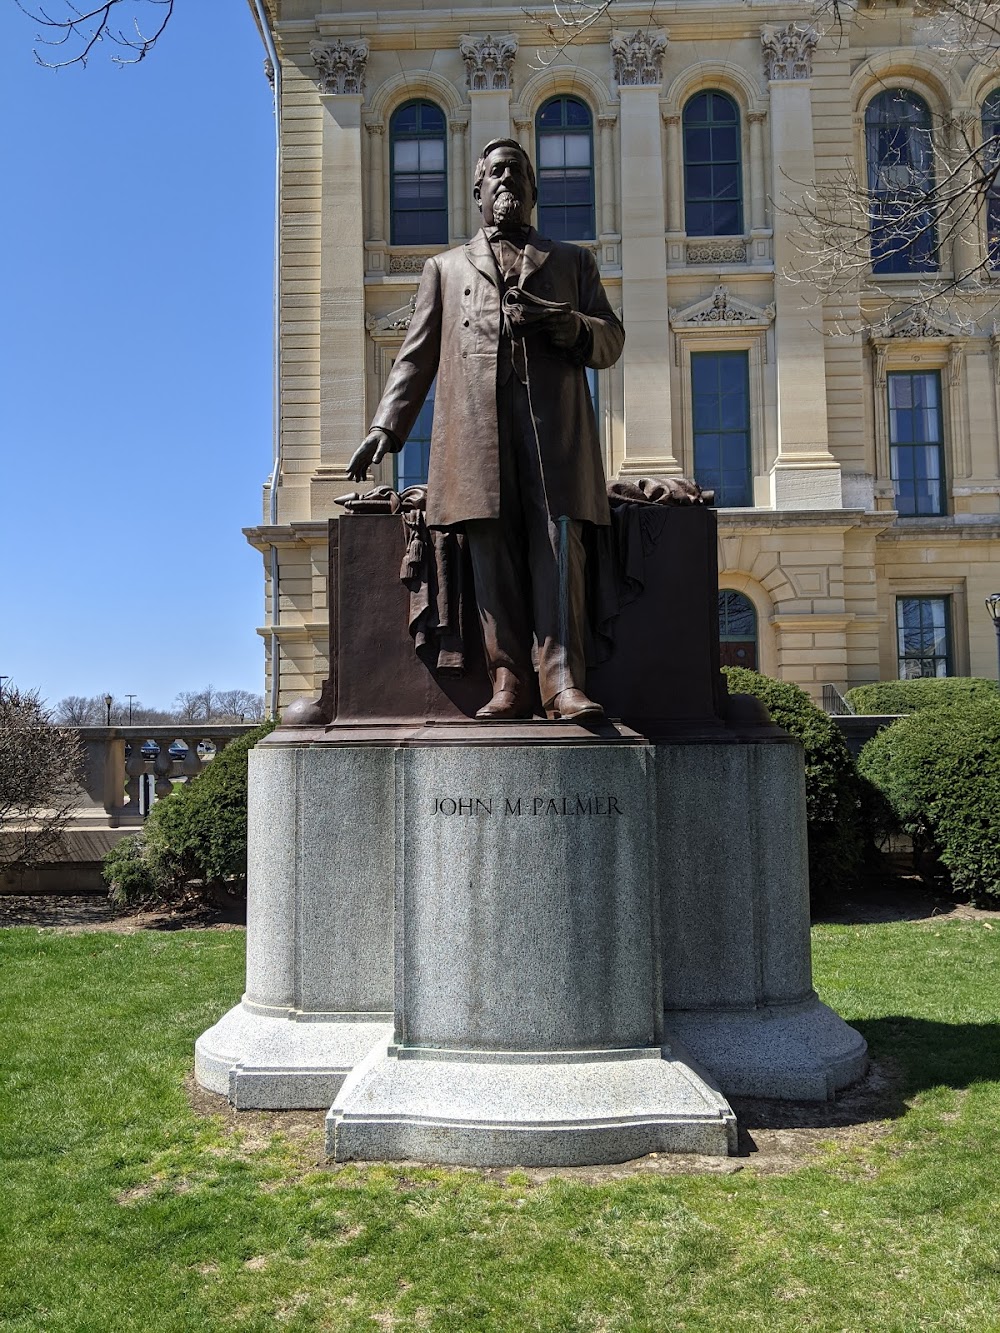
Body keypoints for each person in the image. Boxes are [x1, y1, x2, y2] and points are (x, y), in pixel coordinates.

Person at [346, 138, 625, 721]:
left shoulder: (573, 262)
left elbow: (610, 341)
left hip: (555, 434)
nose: (508, 182)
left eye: (518, 173)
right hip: (474, 435)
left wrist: (566, 324)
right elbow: (415, 358)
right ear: (478, 192)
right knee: (490, 553)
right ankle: (509, 682)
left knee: (557, 547)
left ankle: (563, 683)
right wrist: (385, 429)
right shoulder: (444, 269)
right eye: (497, 173)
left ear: (533, 190)